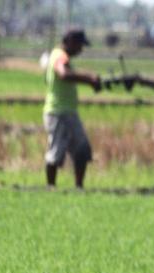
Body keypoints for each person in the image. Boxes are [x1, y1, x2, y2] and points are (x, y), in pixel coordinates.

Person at [43, 29, 101, 189]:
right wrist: (89, 79)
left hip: (68, 112)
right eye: (80, 46)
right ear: (70, 42)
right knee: (56, 152)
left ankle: (79, 187)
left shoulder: (61, 56)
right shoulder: (59, 56)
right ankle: (50, 187)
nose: (81, 50)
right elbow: (64, 74)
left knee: (82, 149)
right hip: (58, 112)